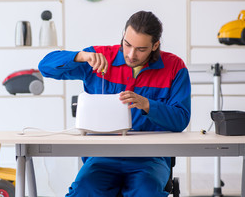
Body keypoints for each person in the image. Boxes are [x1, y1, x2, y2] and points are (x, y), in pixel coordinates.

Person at [38, 11, 191, 197]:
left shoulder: (175, 67)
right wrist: (80, 56)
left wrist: (146, 104)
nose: (131, 54)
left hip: (150, 157)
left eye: (141, 49)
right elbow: (45, 67)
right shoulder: (99, 57)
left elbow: (181, 119)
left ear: (155, 45)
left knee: (146, 192)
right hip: (101, 157)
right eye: (127, 44)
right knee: (83, 191)